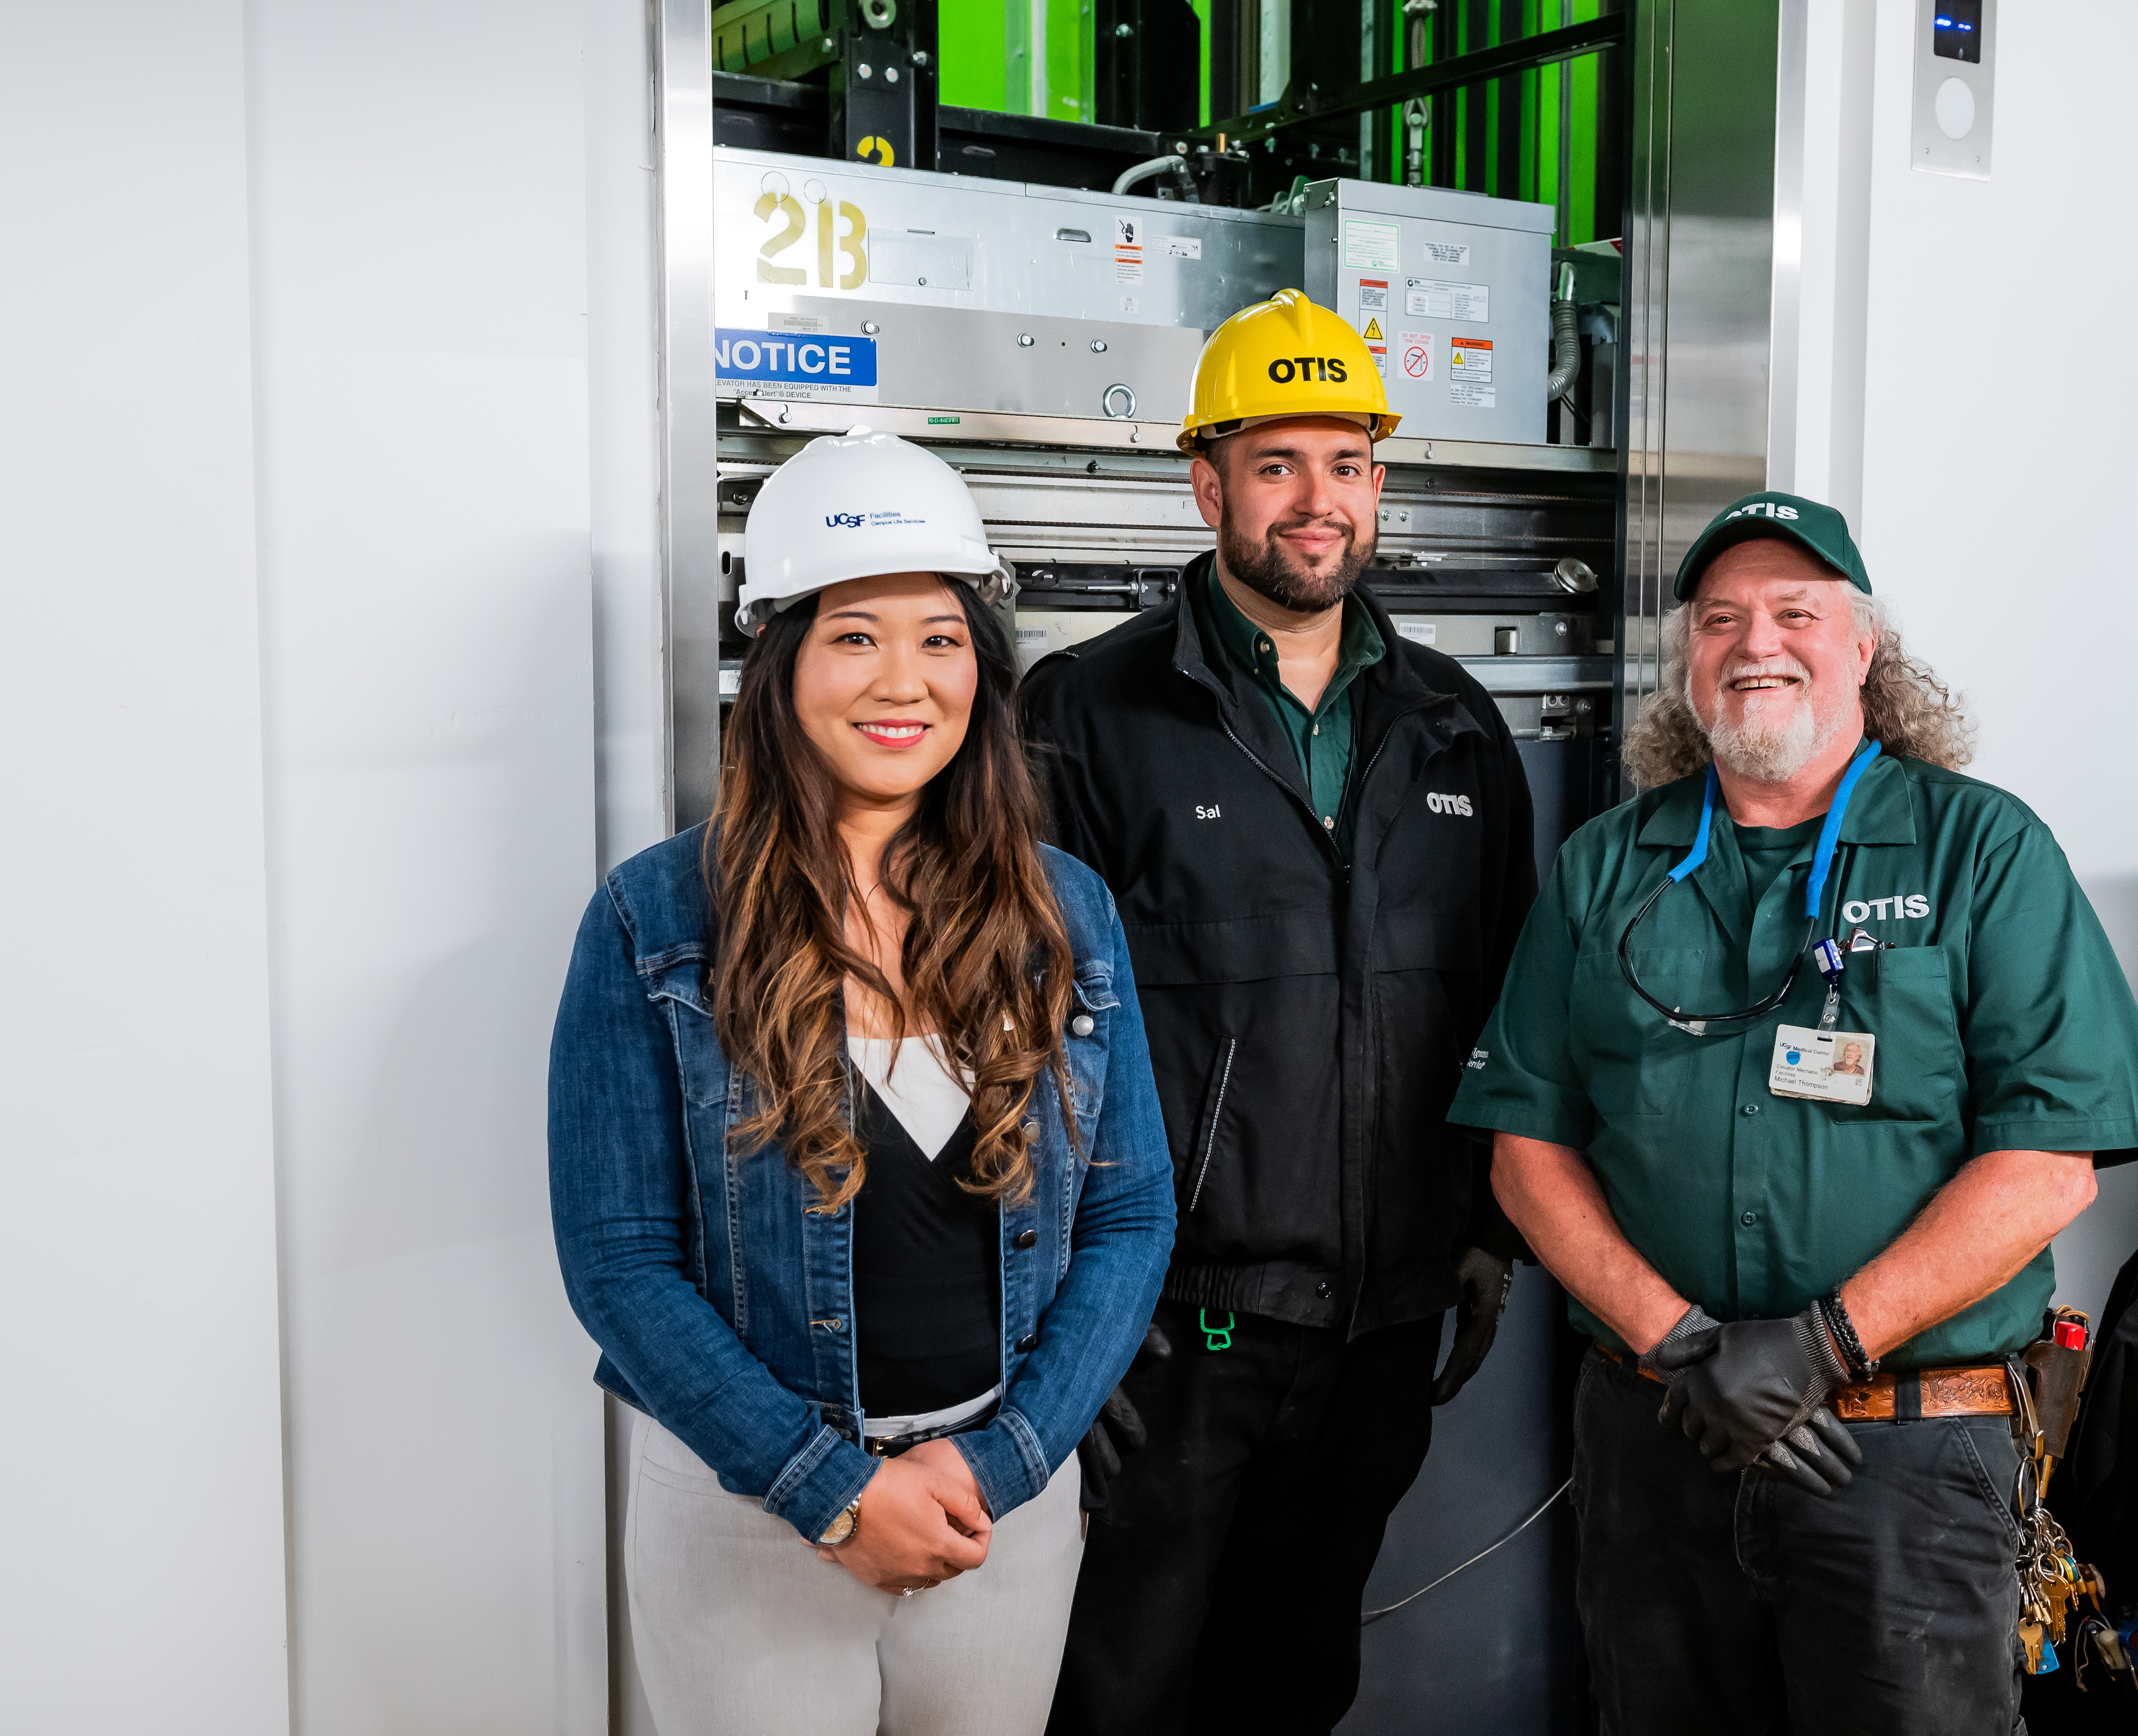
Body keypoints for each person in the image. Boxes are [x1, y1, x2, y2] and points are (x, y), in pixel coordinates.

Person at [1449, 492, 2138, 1734]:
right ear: (1690, 658)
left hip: (1899, 1460)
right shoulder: (1608, 865)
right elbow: (1529, 1149)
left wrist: (1824, 1343)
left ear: (1865, 649)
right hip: (1659, 1441)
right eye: (1722, 617)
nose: (1757, 643)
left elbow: (2050, 1164)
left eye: (1797, 612)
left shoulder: (1982, 854)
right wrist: (1682, 1342)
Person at [547, 429, 1177, 1735]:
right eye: (855, 636)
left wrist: (1000, 1459)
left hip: (992, 1511)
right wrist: (830, 1486)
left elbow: (1130, 1217)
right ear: (778, 665)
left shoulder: (1065, 913)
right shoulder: (654, 920)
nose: (906, 680)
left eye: (941, 638)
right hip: (746, 1518)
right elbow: (620, 1264)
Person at [1023, 290, 1537, 1735]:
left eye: (1350, 465)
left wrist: (1488, 1234)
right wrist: (1068, 1321)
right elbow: (1014, 1043)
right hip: (1172, 1344)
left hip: (1378, 1335)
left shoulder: (1453, 724)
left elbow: (1511, 1009)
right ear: (1208, 484)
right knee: (1117, 1692)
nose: (1321, 504)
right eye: (1278, 465)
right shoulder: (1086, 715)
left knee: (1295, 1683)